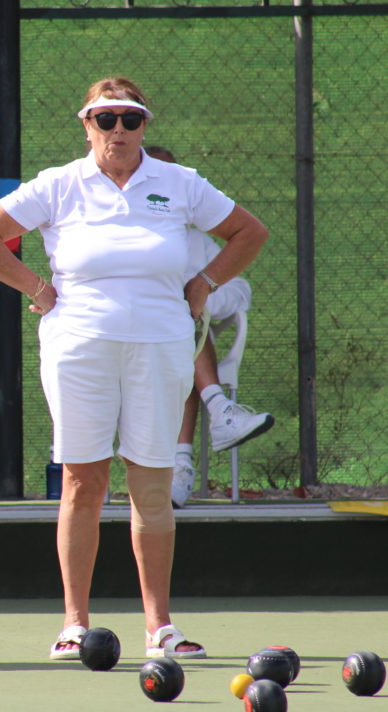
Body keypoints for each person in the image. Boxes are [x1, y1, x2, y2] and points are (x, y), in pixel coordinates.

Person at [0, 78, 268, 660]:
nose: (118, 131)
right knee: (83, 480)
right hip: (79, 347)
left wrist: (204, 283)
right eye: (106, 120)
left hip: (161, 346)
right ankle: (74, 624)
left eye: (130, 119)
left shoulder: (179, 183)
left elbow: (249, 231)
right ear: (87, 125)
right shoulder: (58, 184)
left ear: (145, 124)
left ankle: (161, 628)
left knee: (150, 483)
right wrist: (34, 286)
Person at [144, 146, 275, 508]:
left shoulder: (199, 241)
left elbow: (239, 291)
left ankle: (181, 465)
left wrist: (200, 293)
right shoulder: (119, 238)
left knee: (184, 338)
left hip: (178, 346)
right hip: (130, 344)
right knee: (180, 338)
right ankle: (219, 410)